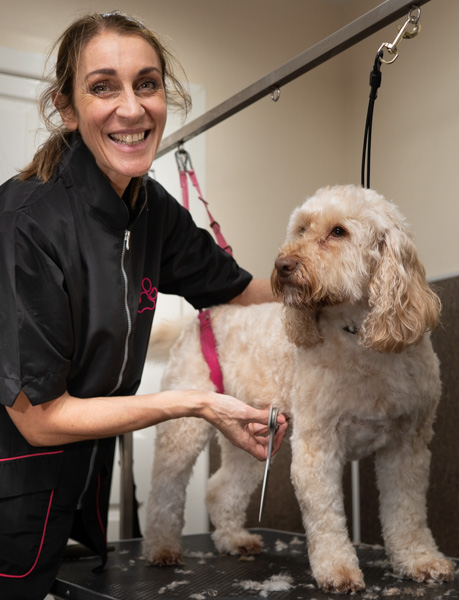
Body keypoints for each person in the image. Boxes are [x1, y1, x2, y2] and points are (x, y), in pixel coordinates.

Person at [0, 11, 288, 600]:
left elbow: (235, 287)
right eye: (103, 86)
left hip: (82, 477)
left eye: (147, 84)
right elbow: (39, 418)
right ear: (67, 107)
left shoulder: (151, 209)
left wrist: (324, 281)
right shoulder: (26, 222)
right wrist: (196, 403)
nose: (131, 109)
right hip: (15, 481)